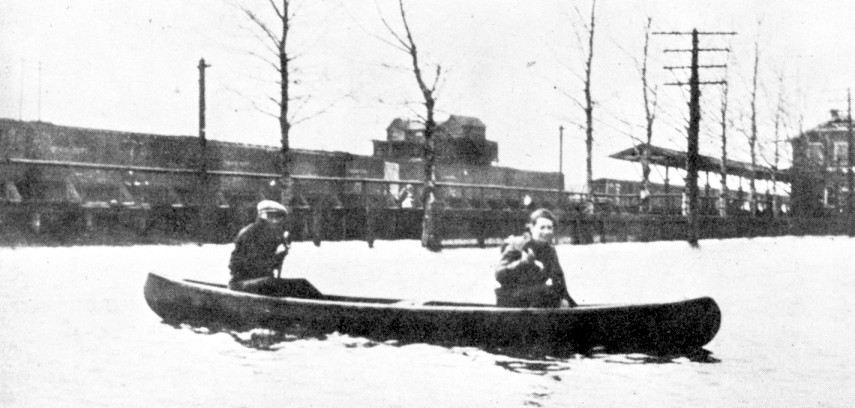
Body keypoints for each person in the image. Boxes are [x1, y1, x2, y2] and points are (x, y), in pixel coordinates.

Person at [494, 208, 577, 308]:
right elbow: (499, 275)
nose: (546, 232)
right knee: (545, 292)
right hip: (512, 299)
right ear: (532, 228)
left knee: (554, 295)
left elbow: (559, 280)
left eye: (549, 228)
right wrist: (523, 262)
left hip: (535, 298)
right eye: (542, 227)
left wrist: (567, 302)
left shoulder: (550, 251)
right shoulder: (517, 245)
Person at [228, 200, 292, 296]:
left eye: (278, 217)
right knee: (276, 284)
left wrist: (281, 255)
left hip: (261, 282)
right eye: (269, 216)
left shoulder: (273, 236)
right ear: (261, 216)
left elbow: (269, 265)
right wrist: (276, 257)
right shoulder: (249, 234)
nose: (274, 220)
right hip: (242, 283)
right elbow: (250, 265)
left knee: (301, 284)